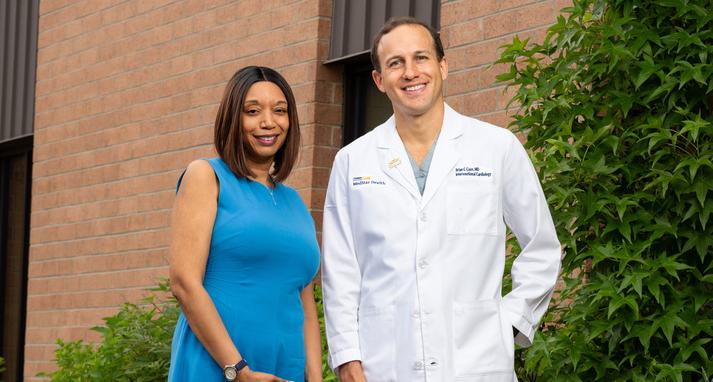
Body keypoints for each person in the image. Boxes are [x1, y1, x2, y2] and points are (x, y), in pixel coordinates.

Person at [321, 17, 561, 382]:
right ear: (379, 80)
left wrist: (509, 323)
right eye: (395, 63)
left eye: (421, 58)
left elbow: (542, 246)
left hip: (478, 364)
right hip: (384, 363)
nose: (410, 72)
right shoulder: (353, 161)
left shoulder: (496, 148)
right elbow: (341, 271)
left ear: (443, 66)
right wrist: (347, 357)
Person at [168, 66, 322, 382]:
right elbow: (184, 283)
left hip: (285, 372)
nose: (268, 122)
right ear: (232, 119)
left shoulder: (294, 202)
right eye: (253, 111)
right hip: (219, 369)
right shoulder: (206, 176)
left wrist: (316, 378)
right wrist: (239, 370)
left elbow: (305, 304)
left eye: (280, 111)